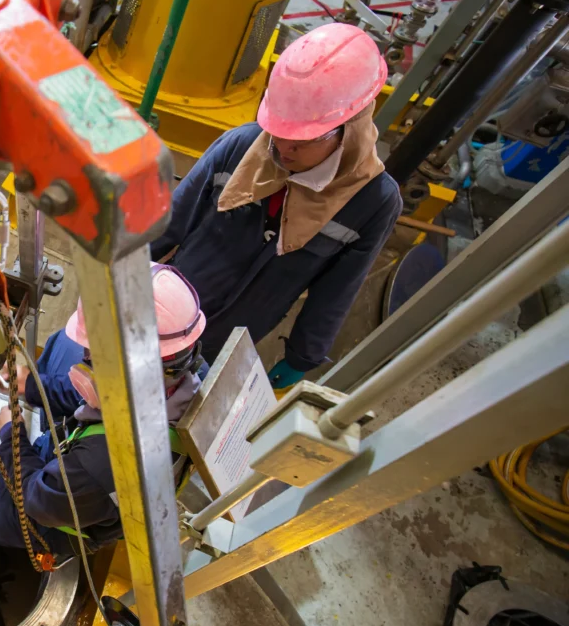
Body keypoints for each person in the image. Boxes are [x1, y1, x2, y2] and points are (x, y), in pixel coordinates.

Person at [149, 23, 403, 390]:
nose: (283, 148)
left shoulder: (372, 201)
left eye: (303, 140)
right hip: (165, 311)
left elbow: (336, 290)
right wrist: (122, 279)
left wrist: (303, 356)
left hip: (233, 335)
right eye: (279, 131)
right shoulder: (242, 147)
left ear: (349, 129)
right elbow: (166, 224)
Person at [0, 264, 207, 562]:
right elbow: (93, 393)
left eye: (95, 357)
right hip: (87, 471)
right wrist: (33, 385)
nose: (85, 362)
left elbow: (37, 498)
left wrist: (12, 434)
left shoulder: (104, 463)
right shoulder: (182, 375)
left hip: (59, 511)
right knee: (63, 342)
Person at [0, 328, 85, 434]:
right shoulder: (67, 335)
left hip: (66, 438)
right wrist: (30, 382)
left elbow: (85, 399)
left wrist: (9, 433)